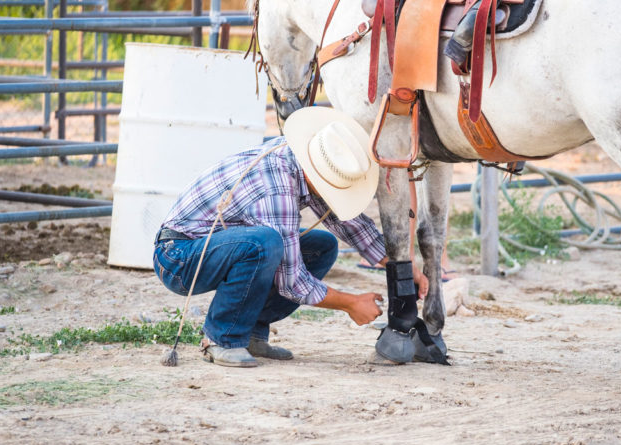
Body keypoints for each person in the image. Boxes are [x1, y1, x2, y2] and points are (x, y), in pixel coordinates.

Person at [153, 107, 428, 367]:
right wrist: (350, 303)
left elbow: (352, 226)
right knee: (264, 243)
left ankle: (250, 332)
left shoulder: (304, 161)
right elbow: (292, 281)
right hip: (179, 257)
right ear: (321, 176)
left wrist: (401, 267)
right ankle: (221, 338)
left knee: (322, 247)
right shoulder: (277, 187)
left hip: (213, 246)